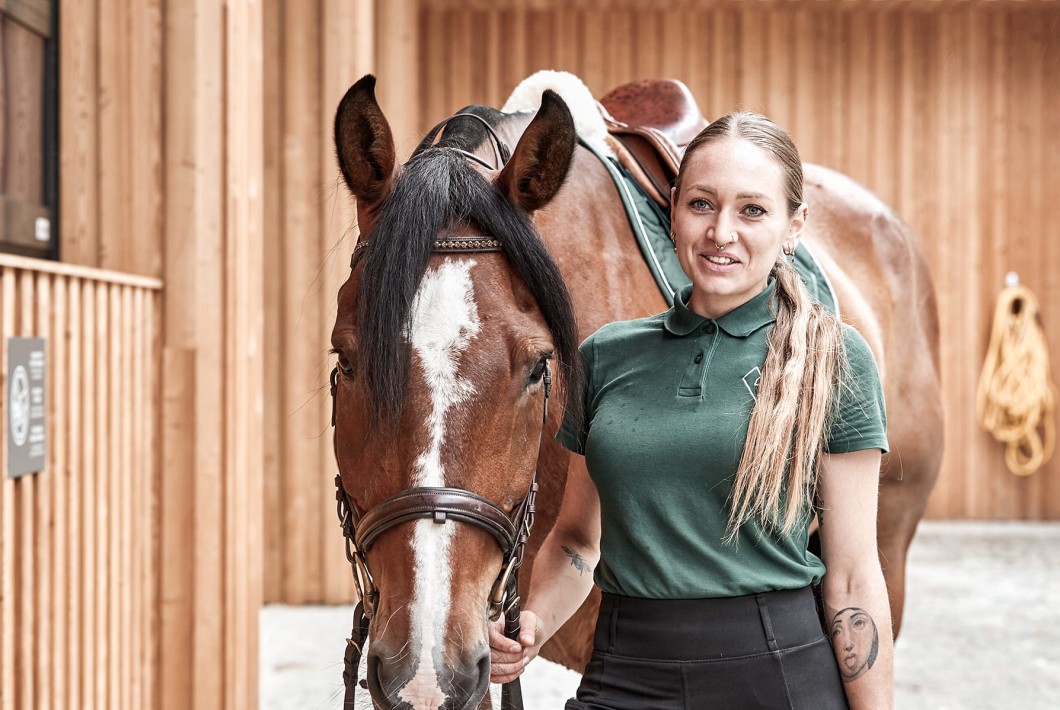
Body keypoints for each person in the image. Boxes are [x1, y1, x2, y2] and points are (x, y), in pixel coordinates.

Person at [489, 111, 894, 709]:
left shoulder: (835, 358)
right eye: (702, 204)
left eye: (752, 210)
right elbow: (576, 541)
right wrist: (534, 625)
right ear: (674, 210)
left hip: (778, 676)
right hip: (623, 673)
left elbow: (854, 576)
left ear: (793, 225)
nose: (721, 232)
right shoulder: (603, 356)